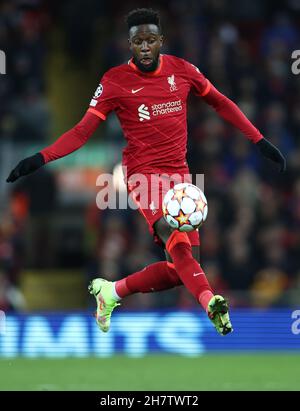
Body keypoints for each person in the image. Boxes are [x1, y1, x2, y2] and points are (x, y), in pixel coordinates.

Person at [6, 8, 286, 336]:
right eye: (138, 41)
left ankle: (112, 291)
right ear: (129, 44)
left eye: (151, 40)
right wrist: (41, 157)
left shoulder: (182, 71)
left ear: (161, 41)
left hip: (180, 177)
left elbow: (221, 102)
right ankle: (211, 301)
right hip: (143, 175)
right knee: (175, 238)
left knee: (178, 269)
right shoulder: (114, 81)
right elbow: (83, 132)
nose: (144, 47)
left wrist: (259, 140)